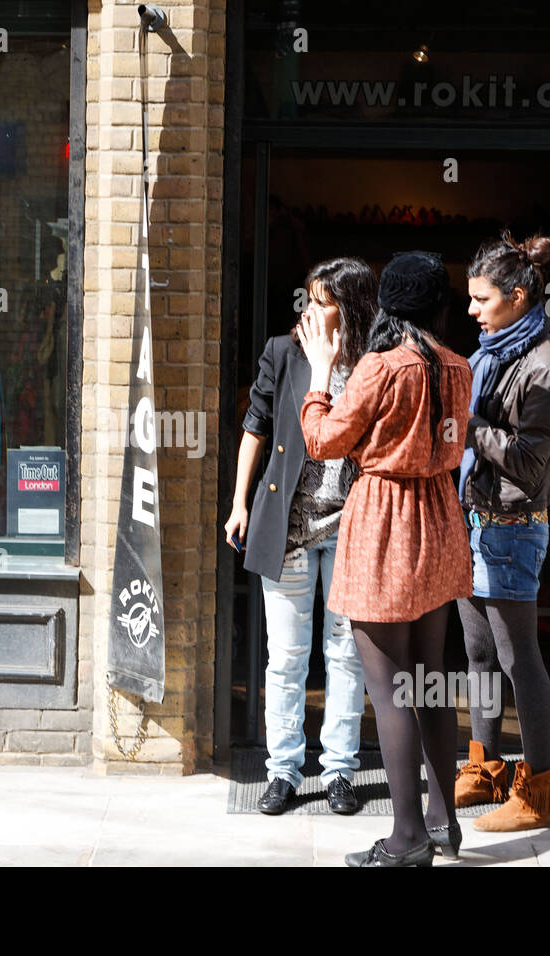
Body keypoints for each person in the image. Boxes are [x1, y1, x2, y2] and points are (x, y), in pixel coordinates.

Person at [298, 251, 474, 866]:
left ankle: (406, 841)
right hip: (440, 518)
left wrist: (320, 375)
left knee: (391, 688)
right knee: (430, 679)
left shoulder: (378, 367)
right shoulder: (459, 366)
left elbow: (322, 442)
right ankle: (443, 823)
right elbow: (453, 444)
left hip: (384, 520)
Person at [225, 257, 376, 816]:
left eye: (323, 301)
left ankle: (338, 771)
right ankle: (283, 771)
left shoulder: (370, 363)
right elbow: (254, 427)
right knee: (285, 658)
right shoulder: (282, 353)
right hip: (287, 528)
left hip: (349, 529)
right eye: (308, 299)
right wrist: (240, 502)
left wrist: (332, 367)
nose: (309, 309)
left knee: (345, 655)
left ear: (351, 308)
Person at [454, 232, 550, 832]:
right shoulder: (493, 352)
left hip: (511, 526)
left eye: (481, 299)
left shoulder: (546, 369)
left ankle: (540, 793)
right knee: (478, 654)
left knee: (517, 658)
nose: (472, 310)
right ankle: (485, 768)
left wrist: (468, 425)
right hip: (473, 519)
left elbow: (528, 463)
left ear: (518, 296)